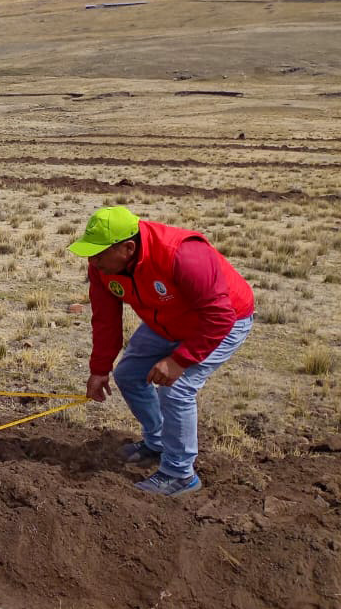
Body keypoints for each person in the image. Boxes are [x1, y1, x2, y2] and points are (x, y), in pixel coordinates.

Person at [68, 206, 255, 496]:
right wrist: (99, 369)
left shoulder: (183, 255)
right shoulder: (102, 268)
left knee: (176, 388)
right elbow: (105, 320)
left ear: (128, 248)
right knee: (129, 375)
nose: (92, 261)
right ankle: (157, 443)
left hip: (224, 319)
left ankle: (180, 475)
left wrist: (180, 360)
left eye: (99, 253)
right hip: (167, 319)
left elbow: (219, 316)